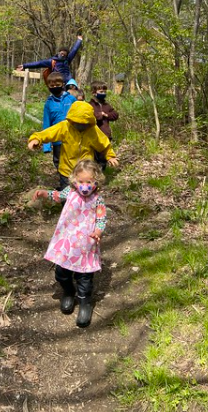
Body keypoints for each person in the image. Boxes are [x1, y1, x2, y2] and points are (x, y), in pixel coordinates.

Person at [32, 159, 107, 328]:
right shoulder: (70, 192)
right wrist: (45, 193)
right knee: (61, 272)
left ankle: (85, 302)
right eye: (81, 182)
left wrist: (98, 231)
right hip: (66, 243)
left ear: (96, 181)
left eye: (89, 182)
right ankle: (68, 291)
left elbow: (102, 219)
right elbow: (58, 196)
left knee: (84, 278)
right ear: (74, 180)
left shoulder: (97, 200)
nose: (85, 186)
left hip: (86, 246)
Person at [28, 101, 119, 189]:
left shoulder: (92, 130)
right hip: (67, 172)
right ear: (72, 120)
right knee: (67, 196)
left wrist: (110, 156)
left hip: (85, 173)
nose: (80, 126)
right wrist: (36, 139)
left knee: (85, 196)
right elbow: (48, 133)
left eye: (84, 124)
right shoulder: (65, 127)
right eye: (77, 123)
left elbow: (103, 144)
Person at [42, 72, 77, 171]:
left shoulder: (71, 99)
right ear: (48, 86)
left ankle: (73, 183)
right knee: (59, 163)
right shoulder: (48, 104)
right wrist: (46, 145)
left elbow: (80, 115)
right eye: (52, 86)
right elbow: (46, 124)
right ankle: (64, 184)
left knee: (73, 162)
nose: (55, 87)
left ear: (62, 84)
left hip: (72, 138)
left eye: (57, 85)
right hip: (57, 140)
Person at [16, 36, 82, 84]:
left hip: (68, 82)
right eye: (62, 53)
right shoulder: (52, 61)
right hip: (58, 82)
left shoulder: (67, 60)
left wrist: (79, 40)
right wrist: (24, 66)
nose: (62, 55)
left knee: (73, 85)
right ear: (58, 53)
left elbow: (74, 50)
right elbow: (39, 63)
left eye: (64, 54)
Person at [89, 80, 119, 170]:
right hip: (93, 136)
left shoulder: (107, 105)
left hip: (105, 135)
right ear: (94, 93)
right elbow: (89, 117)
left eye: (104, 91)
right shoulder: (89, 105)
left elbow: (115, 115)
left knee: (103, 158)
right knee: (93, 158)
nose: (103, 93)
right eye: (101, 92)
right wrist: (99, 115)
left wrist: (106, 115)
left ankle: (101, 175)